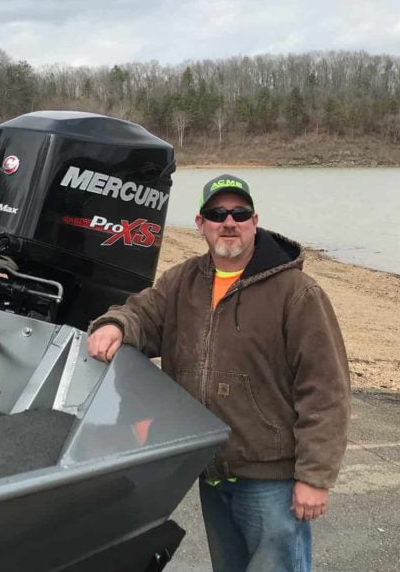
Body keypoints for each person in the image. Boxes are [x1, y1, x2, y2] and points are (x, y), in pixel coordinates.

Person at [87, 173, 350, 572]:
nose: (228, 222)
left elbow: (326, 390)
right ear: (201, 223)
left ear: (254, 220)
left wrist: (315, 477)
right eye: (217, 213)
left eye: (239, 213)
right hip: (211, 469)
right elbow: (140, 313)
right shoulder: (183, 282)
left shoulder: (297, 292)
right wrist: (115, 325)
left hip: (270, 479)